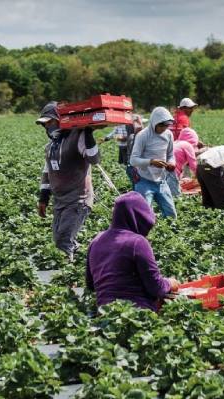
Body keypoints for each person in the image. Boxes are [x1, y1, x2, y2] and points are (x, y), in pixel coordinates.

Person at [86, 191, 180, 312]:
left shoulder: (96, 241)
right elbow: (156, 288)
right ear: (139, 217)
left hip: (105, 314)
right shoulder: (137, 242)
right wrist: (169, 283)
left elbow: (90, 284)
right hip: (136, 314)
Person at [35, 101, 101, 262]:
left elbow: (94, 159)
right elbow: (47, 171)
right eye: (44, 124)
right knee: (59, 239)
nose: (47, 127)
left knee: (63, 240)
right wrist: (43, 198)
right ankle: (86, 258)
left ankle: (70, 274)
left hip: (78, 199)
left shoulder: (77, 137)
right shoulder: (51, 146)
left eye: (49, 122)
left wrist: (88, 134)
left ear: (59, 120)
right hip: (59, 200)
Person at [129, 107, 177, 218]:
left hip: (161, 182)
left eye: (166, 125)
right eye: (161, 125)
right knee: (143, 216)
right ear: (154, 122)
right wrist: (151, 162)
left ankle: (167, 234)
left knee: (171, 215)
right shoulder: (143, 135)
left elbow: (170, 155)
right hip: (144, 181)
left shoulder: (168, 135)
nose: (164, 128)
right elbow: (133, 160)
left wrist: (171, 163)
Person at [168, 128, 200, 197]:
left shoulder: (176, 142)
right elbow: (194, 166)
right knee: (176, 196)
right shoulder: (187, 145)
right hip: (171, 172)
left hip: (161, 170)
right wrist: (201, 179)